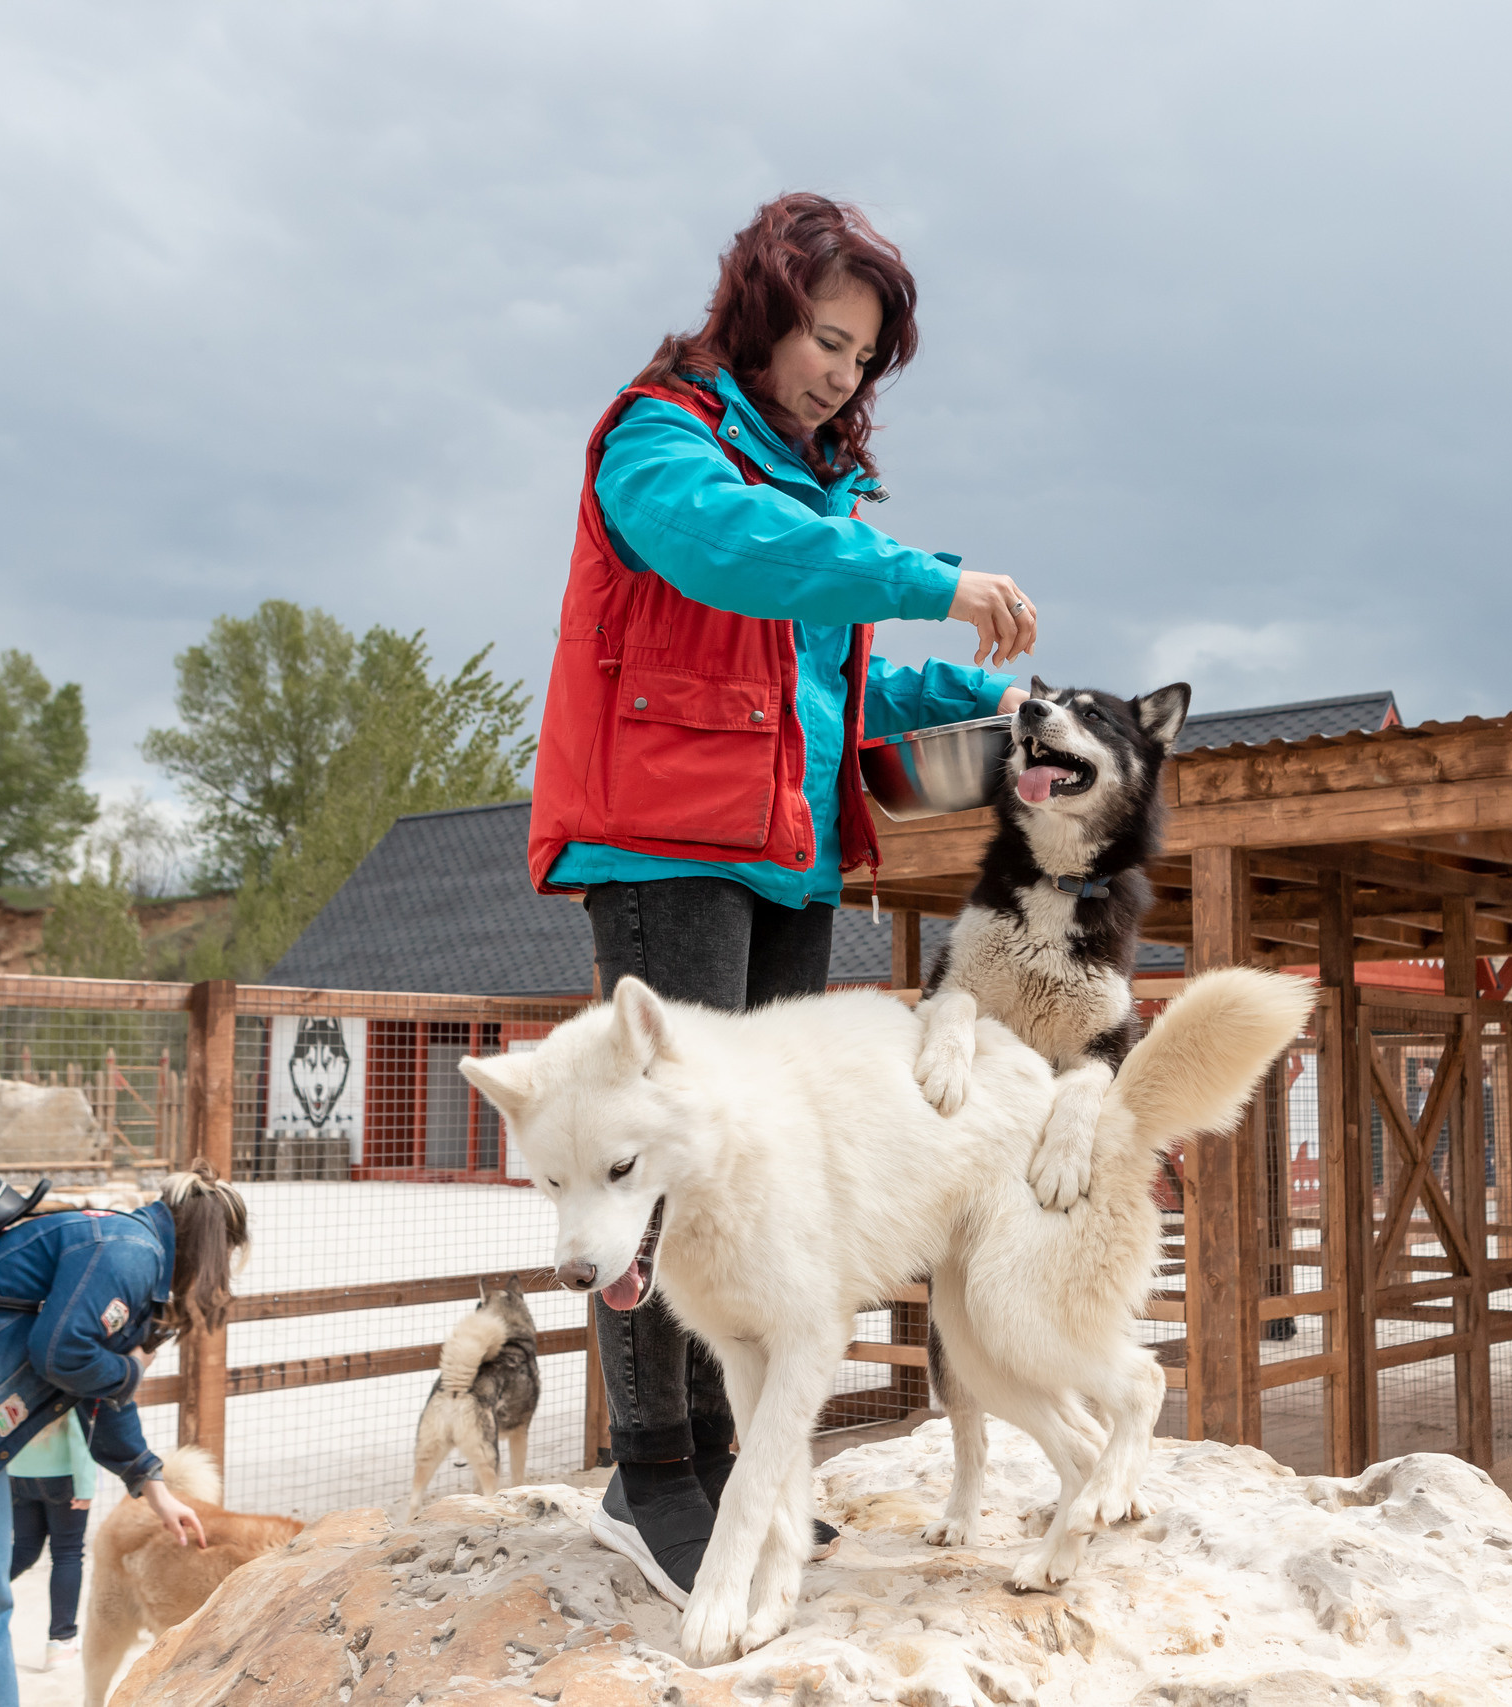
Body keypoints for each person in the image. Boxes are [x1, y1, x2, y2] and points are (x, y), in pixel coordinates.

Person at [529, 191, 1037, 1602]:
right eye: (826, 337)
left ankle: (738, 1470)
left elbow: (841, 694)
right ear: (761, 310)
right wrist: (929, 575)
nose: (842, 373)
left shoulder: (821, 496)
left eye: (865, 358)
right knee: (644, 1163)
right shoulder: (659, 438)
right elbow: (723, 551)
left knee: (745, 1174)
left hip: (790, 858)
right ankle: (654, 1471)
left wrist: (1014, 717)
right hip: (667, 847)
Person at [0, 1169, 249, 1707]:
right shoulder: (129, 1251)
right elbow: (62, 1354)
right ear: (214, 1247)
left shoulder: (122, 1242)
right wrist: (131, 1369)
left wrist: (152, 1485)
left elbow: (96, 1392)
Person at [7, 1408, 96, 1672]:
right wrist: (86, 1485)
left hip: (17, 1475)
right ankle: (61, 1641)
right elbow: (82, 1436)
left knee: (24, 1548)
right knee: (67, 1554)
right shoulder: (66, 1377)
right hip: (63, 1476)